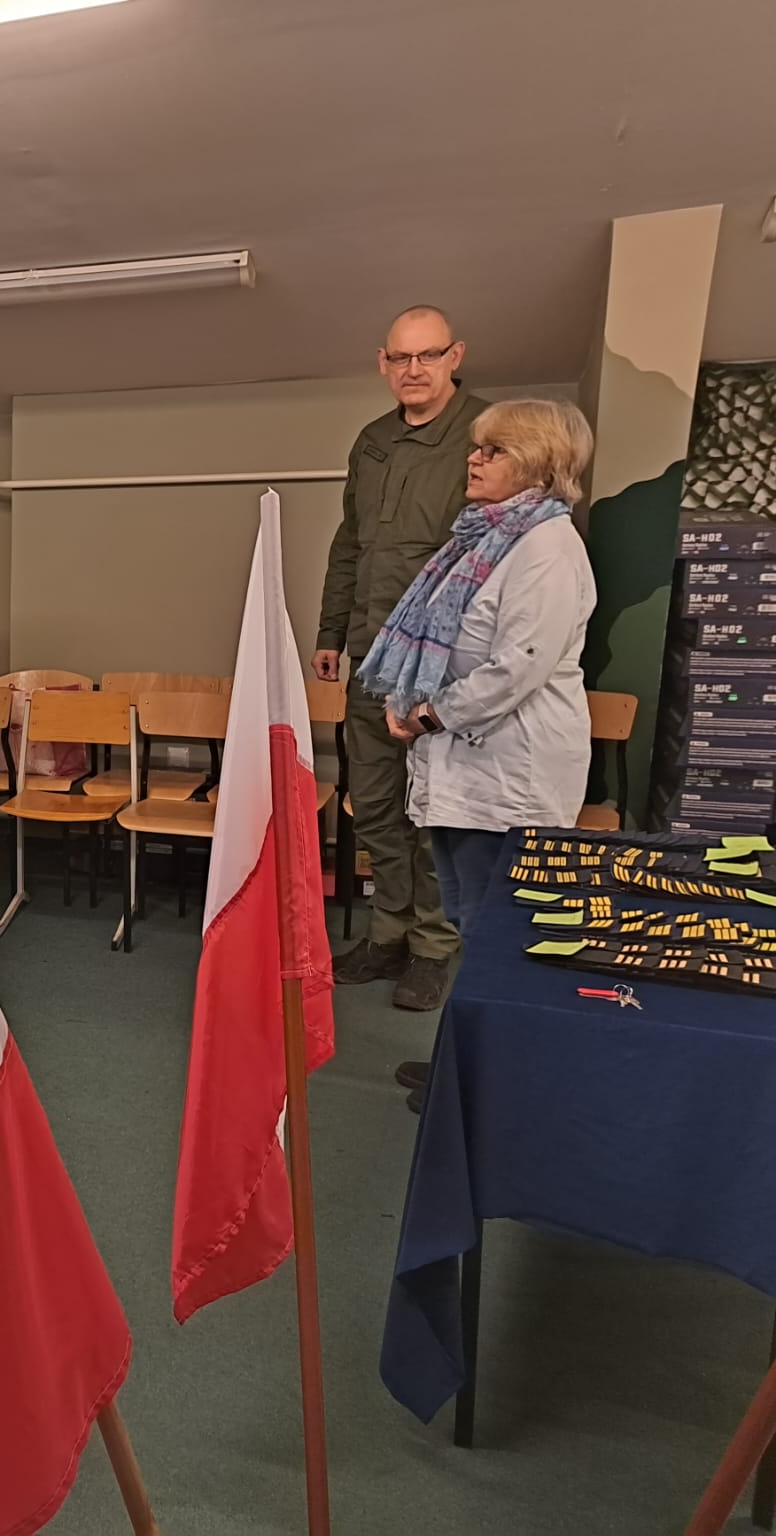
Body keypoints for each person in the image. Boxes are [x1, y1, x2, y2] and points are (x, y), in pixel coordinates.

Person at [363, 399, 597, 1110]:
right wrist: (411, 699)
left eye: (493, 450)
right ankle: (464, 1069)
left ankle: (497, 1084)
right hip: (464, 766)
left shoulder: (547, 549)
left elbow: (516, 666)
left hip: (508, 774)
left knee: (502, 937)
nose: (474, 458)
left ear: (535, 463)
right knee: (474, 928)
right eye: (478, 446)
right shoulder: (486, 537)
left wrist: (430, 713)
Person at [315, 306, 488, 1013]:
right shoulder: (373, 441)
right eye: (400, 358)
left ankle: (432, 946)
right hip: (371, 656)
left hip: (441, 666)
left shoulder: (484, 436)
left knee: (433, 810)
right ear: (383, 364)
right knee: (377, 805)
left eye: (428, 355)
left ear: (455, 356)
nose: (413, 370)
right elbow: (350, 545)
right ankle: (387, 933)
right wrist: (331, 632)